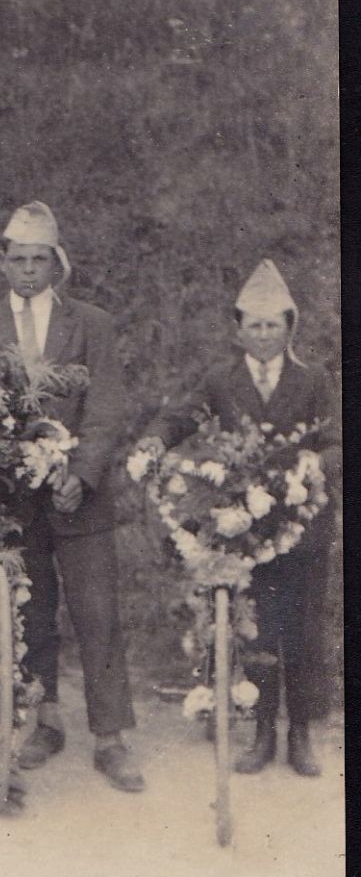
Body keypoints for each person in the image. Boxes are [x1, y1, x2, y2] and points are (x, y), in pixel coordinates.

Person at [0, 200, 143, 792]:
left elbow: (106, 408)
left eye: (38, 259)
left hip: (79, 495)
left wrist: (84, 472)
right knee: (31, 613)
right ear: (2, 263)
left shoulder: (90, 324)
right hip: (14, 499)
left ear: (56, 263)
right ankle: (46, 719)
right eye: (17, 259)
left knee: (96, 612)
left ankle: (111, 737)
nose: (27, 269)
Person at [133, 259, 339, 777]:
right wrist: (157, 439)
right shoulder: (221, 380)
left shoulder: (312, 381)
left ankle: (301, 735)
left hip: (304, 523)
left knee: (305, 629)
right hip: (247, 527)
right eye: (254, 325)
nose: (264, 335)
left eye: (274, 325)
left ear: (289, 328)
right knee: (260, 630)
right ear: (239, 329)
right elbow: (181, 415)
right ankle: (263, 732)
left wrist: (315, 463)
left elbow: (337, 441)